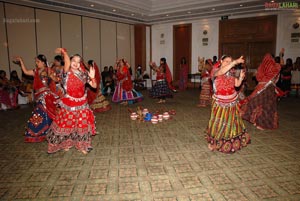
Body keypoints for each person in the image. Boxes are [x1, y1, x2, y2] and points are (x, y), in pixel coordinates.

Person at [47, 48, 96, 154]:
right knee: (66, 124)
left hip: (82, 103)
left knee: (81, 124)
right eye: (74, 61)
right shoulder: (66, 73)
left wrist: (92, 78)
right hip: (69, 103)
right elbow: (67, 63)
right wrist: (64, 53)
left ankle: (83, 146)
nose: (76, 63)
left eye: (78, 62)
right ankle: (66, 143)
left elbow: (94, 86)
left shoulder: (83, 74)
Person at [206, 55, 250, 153]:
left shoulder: (232, 73)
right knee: (220, 122)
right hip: (220, 103)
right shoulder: (216, 71)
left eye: (230, 61)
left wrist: (241, 78)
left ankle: (231, 142)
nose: (229, 63)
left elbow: (237, 85)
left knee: (231, 122)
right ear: (221, 61)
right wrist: (234, 62)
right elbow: (222, 72)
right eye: (226, 61)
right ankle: (215, 143)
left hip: (232, 101)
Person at [14, 54, 58, 142]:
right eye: (36, 61)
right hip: (39, 95)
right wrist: (21, 61)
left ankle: (48, 131)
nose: (36, 63)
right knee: (38, 114)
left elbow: (56, 80)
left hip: (46, 96)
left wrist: (52, 76)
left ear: (43, 62)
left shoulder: (48, 70)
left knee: (46, 114)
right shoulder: (36, 71)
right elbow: (26, 72)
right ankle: (37, 131)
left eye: (38, 61)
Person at [240, 54, 282, 130]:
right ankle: (263, 124)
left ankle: (258, 123)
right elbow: (277, 78)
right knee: (268, 107)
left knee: (255, 103)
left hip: (263, 88)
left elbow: (258, 77)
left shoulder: (263, 67)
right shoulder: (277, 67)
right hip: (271, 89)